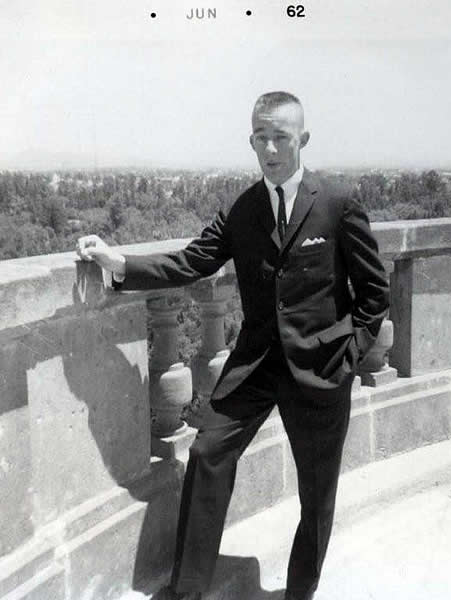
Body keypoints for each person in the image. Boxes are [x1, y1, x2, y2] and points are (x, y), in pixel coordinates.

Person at [77, 91, 390, 600]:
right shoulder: (243, 209)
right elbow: (191, 262)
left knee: (317, 498)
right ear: (250, 140)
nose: (270, 148)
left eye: (281, 137)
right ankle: (189, 590)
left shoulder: (337, 202)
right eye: (260, 137)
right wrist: (119, 265)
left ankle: (299, 593)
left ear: (302, 140)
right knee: (207, 451)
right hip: (256, 366)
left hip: (321, 371)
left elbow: (374, 294)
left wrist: (346, 357)